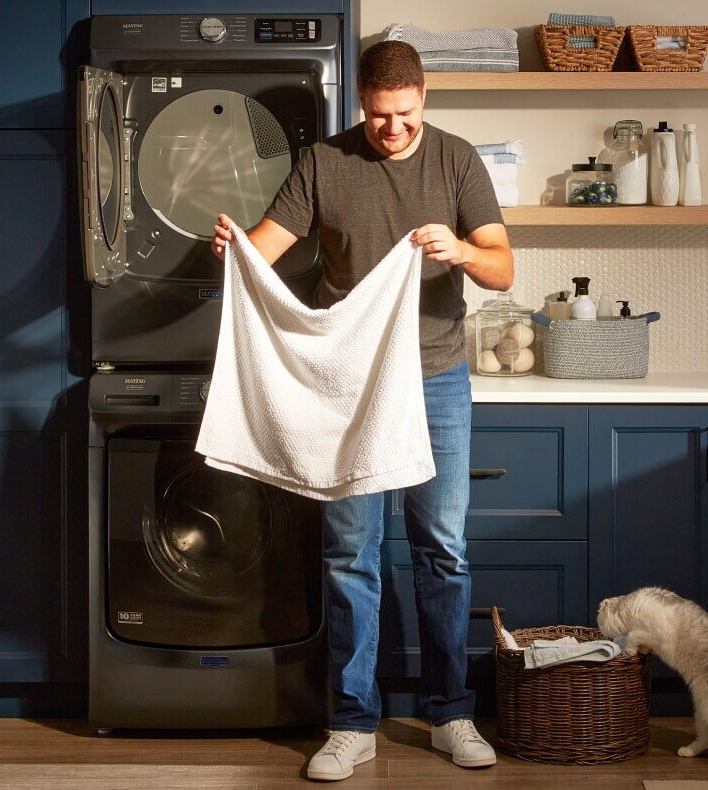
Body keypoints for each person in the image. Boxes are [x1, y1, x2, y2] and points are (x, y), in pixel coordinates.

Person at [210, 40, 513, 781]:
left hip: (438, 379)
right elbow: (264, 250)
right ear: (362, 106)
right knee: (351, 557)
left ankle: (452, 713)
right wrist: (234, 252)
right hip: (347, 388)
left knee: (443, 551)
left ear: (423, 100)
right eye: (380, 117)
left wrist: (463, 252)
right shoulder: (324, 163)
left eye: (405, 116)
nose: (394, 130)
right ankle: (352, 723)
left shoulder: (457, 160)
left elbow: (503, 269)